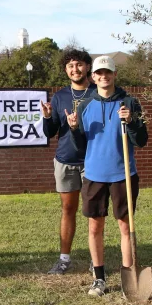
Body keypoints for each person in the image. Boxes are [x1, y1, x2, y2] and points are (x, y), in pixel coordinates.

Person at [68, 55, 148, 297]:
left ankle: (128, 275)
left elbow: (142, 140)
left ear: (114, 75)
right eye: (99, 73)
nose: (104, 77)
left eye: (108, 72)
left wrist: (131, 121)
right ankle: (99, 278)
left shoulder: (129, 103)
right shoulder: (84, 106)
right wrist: (73, 129)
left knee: (125, 226)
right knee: (95, 227)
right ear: (93, 77)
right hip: (94, 175)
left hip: (123, 174)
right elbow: (80, 146)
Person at [40, 48, 96, 275]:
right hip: (66, 160)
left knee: (94, 211)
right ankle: (64, 260)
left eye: (80, 64)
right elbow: (50, 132)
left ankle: (96, 261)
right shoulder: (60, 95)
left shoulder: (98, 93)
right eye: (71, 66)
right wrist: (46, 117)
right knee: (68, 209)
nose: (76, 69)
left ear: (88, 67)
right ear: (66, 70)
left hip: (93, 159)